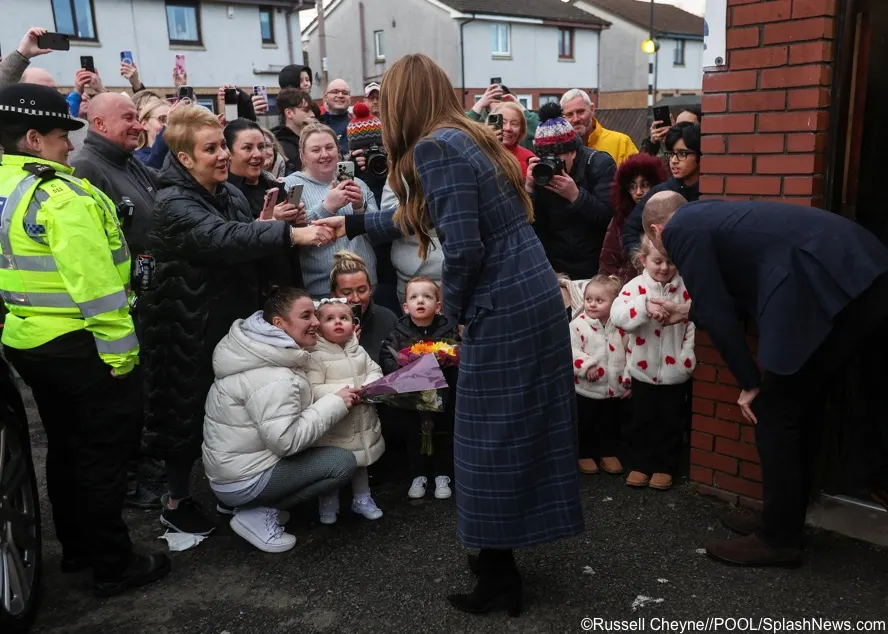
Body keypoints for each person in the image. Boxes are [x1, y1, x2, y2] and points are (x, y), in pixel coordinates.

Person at [317, 53, 584, 615]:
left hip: (502, 301)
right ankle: (498, 557)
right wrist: (354, 222)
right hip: (530, 287)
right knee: (514, 430)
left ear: (401, 101)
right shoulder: (466, 135)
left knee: (488, 438)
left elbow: (462, 248)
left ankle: (499, 576)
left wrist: (456, 314)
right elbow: (432, 216)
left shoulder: (434, 148)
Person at [639, 191, 888, 566]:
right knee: (802, 408)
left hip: (841, 285)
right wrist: (688, 311)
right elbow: (733, 289)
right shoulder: (709, 214)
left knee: (774, 411)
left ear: (657, 231)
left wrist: (749, 382)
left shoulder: (681, 230)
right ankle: (783, 520)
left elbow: (718, 312)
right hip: (861, 273)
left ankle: (779, 539)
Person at [0, 83, 170, 595]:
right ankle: (113, 565)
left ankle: (77, 548)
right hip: (83, 346)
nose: (69, 146)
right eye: (60, 135)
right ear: (33, 139)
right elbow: (98, 290)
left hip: (28, 341)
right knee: (103, 456)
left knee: (66, 446)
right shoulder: (58, 195)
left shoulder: (6, 185)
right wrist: (122, 360)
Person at [139, 105, 334, 536]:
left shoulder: (225, 191)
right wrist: (288, 233)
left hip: (225, 321)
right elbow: (221, 238)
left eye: (221, 146)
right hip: (185, 327)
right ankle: (176, 503)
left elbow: (244, 235)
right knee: (184, 413)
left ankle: (232, 491)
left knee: (231, 410)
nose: (223, 155)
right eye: (211, 149)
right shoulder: (173, 202)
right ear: (185, 158)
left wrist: (268, 224)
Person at [202, 287, 359, 553]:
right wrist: (335, 403)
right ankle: (258, 513)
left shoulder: (259, 351)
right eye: (306, 316)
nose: (316, 322)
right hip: (244, 479)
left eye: (314, 314)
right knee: (341, 463)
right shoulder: (274, 376)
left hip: (229, 471)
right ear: (279, 323)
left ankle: (244, 504)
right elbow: (286, 442)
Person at [611, 236, 695, 490]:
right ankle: (640, 464)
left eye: (670, 261)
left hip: (675, 372)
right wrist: (643, 306)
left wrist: (685, 360)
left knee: (671, 420)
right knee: (642, 418)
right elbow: (617, 316)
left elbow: (693, 325)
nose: (664, 267)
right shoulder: (635, 287)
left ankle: (665, 467)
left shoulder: (686, 288)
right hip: (642, 368)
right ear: (643, 260)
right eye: (657, 261)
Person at [379, 277, 460, 500]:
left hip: (443, 394)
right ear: (406, 307)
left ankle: (443, 475)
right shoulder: (398, 331)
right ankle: (418, 475)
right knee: (414, 434)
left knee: (443, 433)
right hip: (412, 397)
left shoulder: (448, 329)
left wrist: (445, 360)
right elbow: (386, 355)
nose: (420, 301)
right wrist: (403, 368)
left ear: (438, 305)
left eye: (427, 296)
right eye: (414, 297)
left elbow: (457, 351)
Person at [306, 298, 385, 523]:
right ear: (318, 326)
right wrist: (344, 392)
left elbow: (375, 370)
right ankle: (328, 502)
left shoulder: (357, 349)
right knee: (332, 466)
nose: (338, 322)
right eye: (329, 319)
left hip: (361, 420)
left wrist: (368, 385)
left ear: (354, 324)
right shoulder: (315, 355)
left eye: (344, 318)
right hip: (335, 425)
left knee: (360, 464)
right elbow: (313, 388)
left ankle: (362, 499)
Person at [283, 122, 378, 298]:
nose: (324, 154)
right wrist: (327, 207)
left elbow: (377, 232)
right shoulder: (291, 187)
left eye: (329, 147)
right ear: (303, 156)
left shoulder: (358, 184)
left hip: (366, 284)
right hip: (322, 288)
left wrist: (359, 206)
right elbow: (289, 234)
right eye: (316, 150)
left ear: (338, 150)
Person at [527, 102, 616, 280]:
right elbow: (529, 227)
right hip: (554, 265)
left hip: (594, 265)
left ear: (573, 152)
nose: (551, 163)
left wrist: (576, 196)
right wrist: (529, 189)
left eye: (556, 156)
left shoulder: (598, 164)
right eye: (545, 156)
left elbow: (610, 220)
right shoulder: (540, 173)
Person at [70, 93, 157, 258]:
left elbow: (168, 181)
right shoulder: (84, 169)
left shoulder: (128, 161)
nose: (138, 126)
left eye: (137, 118)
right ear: (100, 123)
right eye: (128, 118)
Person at [570, 274, 628, 476]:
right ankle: (584, 454)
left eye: (599, 300)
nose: (592, 304)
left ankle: (608, 452)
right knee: (585, 421)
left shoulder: (621, 327)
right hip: (586, 388)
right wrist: (586, 366)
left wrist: (628, 377)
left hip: (613, 387)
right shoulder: (578, 325)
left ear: (614, 303)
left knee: (610, 422)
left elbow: (630, 351)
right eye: (588, 299)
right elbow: (571, 350)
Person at [622, 122, 701, 256]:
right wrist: (645, 260)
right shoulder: (660, 192)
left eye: (682, 153)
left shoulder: (710, 193)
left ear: (700, 155)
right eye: (671, 154)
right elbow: (630, 229)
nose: (674, 160)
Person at [599, 153, 669, 283]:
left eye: (645, 185)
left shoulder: (667, 218)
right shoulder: (619, 219)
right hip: (625, 288)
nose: (638, 192)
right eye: (633, 187)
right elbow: (608, 264)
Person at [329, 251, 397, 364]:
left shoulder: (387, 318)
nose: (356, 299)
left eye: (362, 290)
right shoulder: (323, 328)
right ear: (333, 295)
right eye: (347, 292)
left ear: (370, 289)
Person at [561, 88, 638, 166]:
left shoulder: (621, 143)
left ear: (592, 109)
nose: (575, 119)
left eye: (580, 112)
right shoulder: (560, 148)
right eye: (569, 115)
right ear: (563, 118)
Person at [467, 83, 538, 150]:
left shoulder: (520, 127)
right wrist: (479, 104)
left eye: (513, 124)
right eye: (496, 100)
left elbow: (537, 128)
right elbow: (463, 129)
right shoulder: (477, 123)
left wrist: (518, 106)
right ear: (487, 105)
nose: (508, 128)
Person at [272, 88, 315, 174]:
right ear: (289, 113)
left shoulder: (312, 139)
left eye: (311, 110)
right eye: (306, 110)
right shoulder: (279, 146)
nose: (312, 115)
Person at [491, 101, 535, 178]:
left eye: (514, 124)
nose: (508, 128)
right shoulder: (479, 154)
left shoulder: (529, 158)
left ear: (521, 129)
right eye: (503, 122)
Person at [133, 97, 172, 169]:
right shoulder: (136, 156)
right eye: (162, 119)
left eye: (172, 119)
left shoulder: (181, 152)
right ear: (144, 124)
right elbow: (153, 163)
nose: (170, 125)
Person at [320, 79, 353, 156]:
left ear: (350, 99)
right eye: (335, 92)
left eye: (345, 93)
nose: (340, 95)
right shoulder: (316, 124)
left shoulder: (357, 126)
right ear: (326, 97)